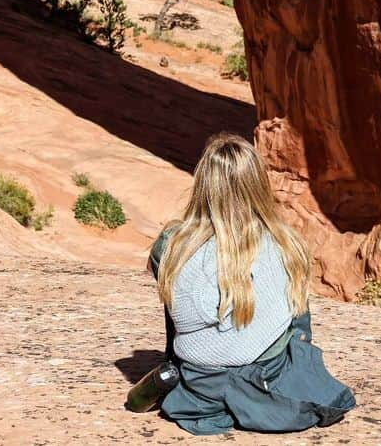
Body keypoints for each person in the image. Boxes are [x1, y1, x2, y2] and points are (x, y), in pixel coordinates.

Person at [147, 132, 356, 435]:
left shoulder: (171, 244)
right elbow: (299, 321)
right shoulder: (285, 242)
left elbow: (174, 309)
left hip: (199, 383)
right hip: (266, 376)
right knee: (295, 320)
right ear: (257, 185)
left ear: (204, 184)